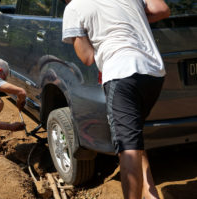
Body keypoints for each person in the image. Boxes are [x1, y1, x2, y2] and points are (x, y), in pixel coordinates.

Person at [62, 0, 170, 199]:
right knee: (133, 137)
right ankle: (151, 194)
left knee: (127, 147)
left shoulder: (74, 7)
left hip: (121, 74)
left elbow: (87, 57)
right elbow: (162, 9)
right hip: (154, 73)